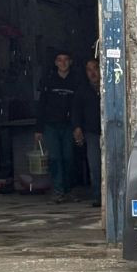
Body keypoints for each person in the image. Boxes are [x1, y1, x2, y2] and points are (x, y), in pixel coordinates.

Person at [34, 52, 80, 203]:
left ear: (70, 62)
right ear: (55, 63)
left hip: (68, 126)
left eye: (66, 60)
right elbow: (41, 105)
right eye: (60, 60)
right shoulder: (49, 81)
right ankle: (58, 191)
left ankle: (68, 189)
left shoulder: (76, 81)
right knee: (54, 159)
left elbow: (79, 106)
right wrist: (39, 129)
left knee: (68, 158)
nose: (63, 63)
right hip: (51, 126)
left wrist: (77, 126)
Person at [74, 58, 103, 207]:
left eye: (95, 68)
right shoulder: (83, 91)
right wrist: (77, 128)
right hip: (91, 133)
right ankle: (98, 196)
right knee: (95, 165)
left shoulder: (109, 87)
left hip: (110, 131)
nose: (92, 72)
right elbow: (76, 111)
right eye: (89, 69)